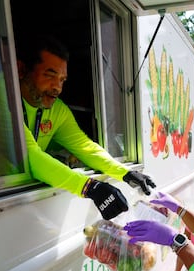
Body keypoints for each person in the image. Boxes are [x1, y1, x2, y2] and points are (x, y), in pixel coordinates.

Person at [16, 35, 156, 220]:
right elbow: (28, 156)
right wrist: (89, 187)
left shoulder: (57, 109)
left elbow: (84, 147)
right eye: (49, 76)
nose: (57, 88)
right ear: (20, 70)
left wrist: (126, 173)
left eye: (62, 80)